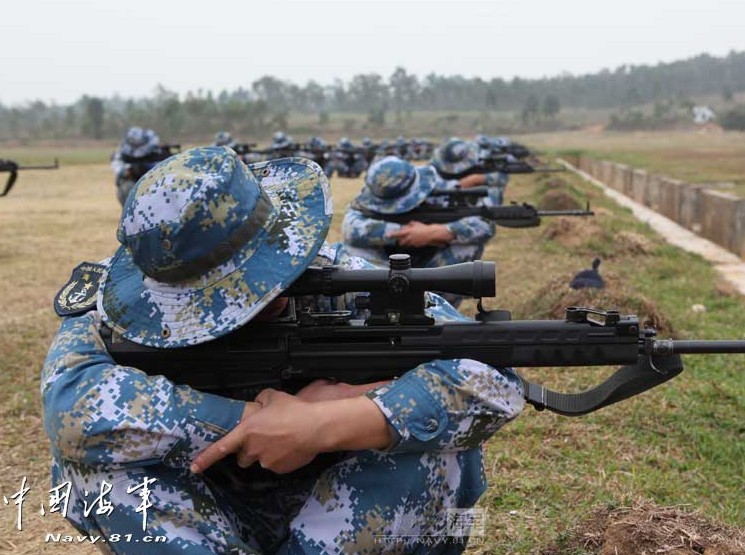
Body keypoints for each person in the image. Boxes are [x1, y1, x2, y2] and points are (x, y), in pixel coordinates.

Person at [42, 146, 523, 554]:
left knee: (438, 450)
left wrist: (326, 423)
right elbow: (71, 405)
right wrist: (255, 420)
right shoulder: (119, 300)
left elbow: (494, 378)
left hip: (339, 512)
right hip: (208, 516)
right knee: (93, 472)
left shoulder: (340, 276)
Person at [342, 156, 496, 306]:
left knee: (466, 245)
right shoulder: (362, 212)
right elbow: (352, 230)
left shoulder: (433, 188)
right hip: (386, 275)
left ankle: (439, 310)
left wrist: (441, 231)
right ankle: (387, 307)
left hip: (432, 272)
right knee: (355, 252)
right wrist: (407, 232)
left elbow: (485, 225)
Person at [430, 138, 509, 206]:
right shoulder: (432, 171)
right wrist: (466, 182)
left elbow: (501, 179)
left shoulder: (478, 160)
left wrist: (477, 179)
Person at [109, 126, 165, 206]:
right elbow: (118, 168)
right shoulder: (121, 153)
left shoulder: (157, 151)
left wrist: (150, 168)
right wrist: (129, 170)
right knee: (126, 186)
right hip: (133, 184)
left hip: (156, 184)